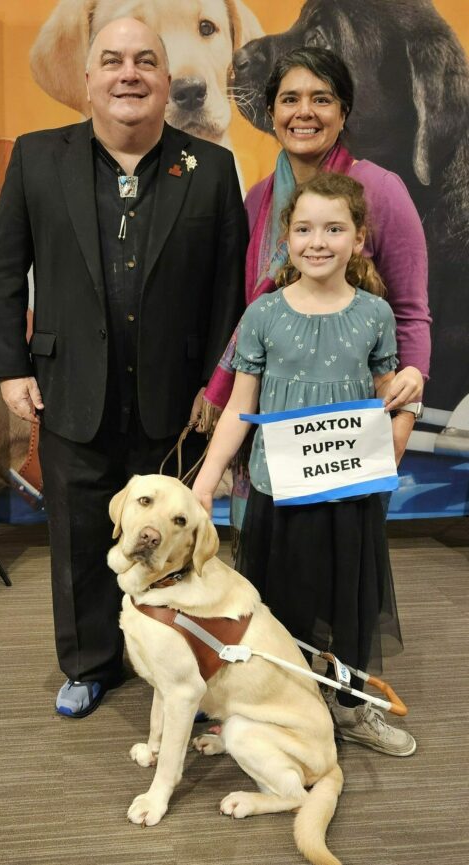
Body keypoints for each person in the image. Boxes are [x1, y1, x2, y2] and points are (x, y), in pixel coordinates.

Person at [0, 18, 247, 718]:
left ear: (164, 81)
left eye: (145, 62)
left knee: (170, 542)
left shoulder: (210, 168)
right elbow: (7, 270)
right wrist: (10, 366)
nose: (129, 74)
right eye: (113, 61)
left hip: (178, 398)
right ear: (88, 79)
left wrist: (216, 386)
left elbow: (230, 289)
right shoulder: (38, 159)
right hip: (70, 387)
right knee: (76, 534)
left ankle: (177, 659)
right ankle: (89, 663)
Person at [193, 172, 416, 757]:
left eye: (334, 228)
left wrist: (406, 403)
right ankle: (274, 712)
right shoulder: (263, 315)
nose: (319, 241)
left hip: (350, 498)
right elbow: (240, 408)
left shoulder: (375, 315)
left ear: (359, 238)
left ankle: (349, 709)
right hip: (279, 497)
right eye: (305, 228)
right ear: (286, 239)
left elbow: (390, 394)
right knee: (277, 609)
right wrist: (206, 480)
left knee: (350, 608)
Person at [203, 46, 431, 528]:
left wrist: (401, 426)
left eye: (321, 99)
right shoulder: (257, 199)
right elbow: (249, 313)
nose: (304, 112)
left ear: (343, 111)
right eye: (289, 99)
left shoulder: (381, 190)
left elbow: (410, 314)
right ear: (271, 113)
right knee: (269, 578)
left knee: (341, 574)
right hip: (271, 425)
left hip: (351, 435)